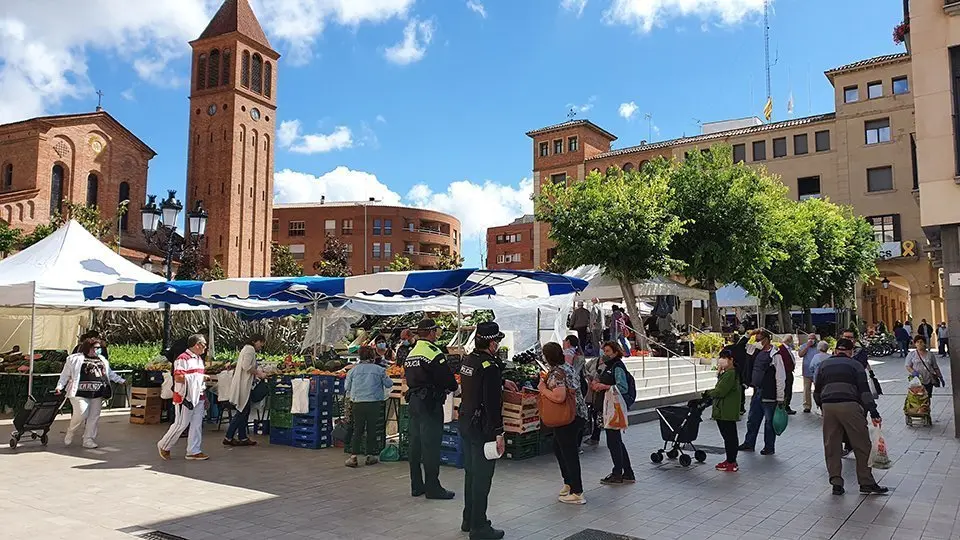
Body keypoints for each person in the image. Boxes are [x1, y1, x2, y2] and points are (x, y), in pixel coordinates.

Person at [814, 338, 888, 495]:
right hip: (849, 405)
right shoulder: (855, 365)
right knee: (862, 444)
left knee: (832, 445)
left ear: (835, 351)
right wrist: (873, 412)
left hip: (828, 406)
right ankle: (866, 482)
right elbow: (864, 391)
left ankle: (836, 483)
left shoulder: (824, 365)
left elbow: (817, 389)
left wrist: (822, 406)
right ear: (850, 352)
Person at [458, 322, 508, 539]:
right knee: (482, 477)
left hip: (467, 423)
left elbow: (476, 387)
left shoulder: (468, 360)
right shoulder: (490, 367)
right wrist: (499, 432)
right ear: (492, 342)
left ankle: (469, 519)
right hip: (483, 428)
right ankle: (480, 526)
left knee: (471, 474)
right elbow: (492, 402)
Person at [403, 318, 459, 499]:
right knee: (431, 445)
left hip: (414, 403)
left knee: (415, 445)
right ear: (432, 332)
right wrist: (454, 387)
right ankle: (433, 487)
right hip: (430, 403)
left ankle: (416, 485)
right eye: (436, 331)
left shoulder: (411, 353)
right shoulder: (433, 352)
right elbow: (447, 379)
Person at [539, 342, 588, 504]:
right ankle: (569, 483)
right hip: (578, 414)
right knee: (559, 448)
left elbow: (559, 397)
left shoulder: (557, 374)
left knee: (568, 452)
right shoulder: (567, 367)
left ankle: (577, 491)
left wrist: (543, 390)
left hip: (568, 417)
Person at [56, 337, 125, 448]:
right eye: (95, 348)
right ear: (87, 348)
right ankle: (71, 430)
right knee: (81, 413)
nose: (97, 350)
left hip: (97, 392)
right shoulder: (74, 359)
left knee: (94, 416)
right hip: (79, 392)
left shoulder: (102, 359)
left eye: (99, 348)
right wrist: (60, 386)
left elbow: (109, 373)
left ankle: (88, 439)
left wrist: (121, 380)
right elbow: (65, 375)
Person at [590, 342, 637, 485]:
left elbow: (622, 387)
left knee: (613, 441)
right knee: (616, 441)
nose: (605, 354)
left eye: (608, 351)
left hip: (613, 409)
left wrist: (603, 386)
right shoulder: (610, 367)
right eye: (604, 351)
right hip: (609, 407)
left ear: (616, 352)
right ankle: (627, 472)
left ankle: (618, 473)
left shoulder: (617, 367)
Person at [158, 334, 210, 461]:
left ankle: (194, 450)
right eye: (204, 345)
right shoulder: (182, 359)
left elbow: (198, 380)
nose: (205, 347)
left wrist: (205, 396)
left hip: (199, 396)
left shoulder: (198, 359)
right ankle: (164, 445)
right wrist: (199, 378)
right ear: (197, 344)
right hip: (185, 397)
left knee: (197, 424)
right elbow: (178, 377)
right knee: (181, 423)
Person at [344, 346, 393, 468]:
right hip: (374, 403)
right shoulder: (379, 370)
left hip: (358, 403)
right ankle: (370, 456)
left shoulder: (353, 371)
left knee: (358, 429)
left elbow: (347, 387)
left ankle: (353, 457)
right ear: (372, 356)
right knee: (371, 429)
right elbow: (389, 384)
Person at [739, 330, 785, 455]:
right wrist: (750, 333)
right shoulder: (755, 351)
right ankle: (749, 443)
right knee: (752, 419)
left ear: (766, 339)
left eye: (759, 339)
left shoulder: (775, 355)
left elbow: (780, 376)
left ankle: (769, 447)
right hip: (757, 391)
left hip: (769, 393)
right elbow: (741, 344)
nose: (756, 341)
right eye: (756, 339)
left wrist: (780, 396)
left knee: (769, 422)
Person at [224, 334, 267, 447]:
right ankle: (228, 436)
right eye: (260, 343)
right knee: (242, 411)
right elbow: (246, 366)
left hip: (244, 385)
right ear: (254, 341)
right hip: (243, 385)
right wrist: (259, 374)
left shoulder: (247, 349)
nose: (261, 346)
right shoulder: (250, 350)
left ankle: (242, 437)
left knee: (244, 410)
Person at [703, 349, 740, 472]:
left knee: (729, 436)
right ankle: (730, 460)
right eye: (721, 357)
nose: (721, 360)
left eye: (725, 358)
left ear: (731, 360)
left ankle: (731, 462)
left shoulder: (730, 374)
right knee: (728, 436)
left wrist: (707, 393)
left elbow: (721, 391)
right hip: (724, 410)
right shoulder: (727, 373)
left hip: (726, 410)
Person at [904, 335, 945, 402]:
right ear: (915, 343)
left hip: (928, 380)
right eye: (917, 342)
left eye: (921, 342)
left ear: (925, 343)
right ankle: (919, 412)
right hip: (917, 381)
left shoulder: (930, 355)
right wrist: (913, 372)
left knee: (927, 398)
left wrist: (940, 377)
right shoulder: (911, 354)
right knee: (918, 398)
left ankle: (926, 411)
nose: (919, 343)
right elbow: (908, 366)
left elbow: (935, 367)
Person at [806, 341, 832, 411]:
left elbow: (811, 367)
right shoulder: (830, 357)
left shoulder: (816, 357)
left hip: (818, 378)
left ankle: (821, 408)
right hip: (828, 379)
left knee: (819, 393)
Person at [799, 334, 819, 413]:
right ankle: (807, 406)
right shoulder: (804, 346)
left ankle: (819, 405)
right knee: (806, 389)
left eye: (812, 339)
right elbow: (800, 355)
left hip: (817, 372)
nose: (811, 340)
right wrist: (807, 346)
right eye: (809, 338)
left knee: (818, 389)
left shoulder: (819, 346)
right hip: (806, 371)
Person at [779, 335, 798, 415]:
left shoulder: (787, 348)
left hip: (789, 372)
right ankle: (785, 406)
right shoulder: (781, 349)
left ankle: (786, 405)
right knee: (787, 390)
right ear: (788, 340)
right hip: (785, 372)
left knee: (789, 389)